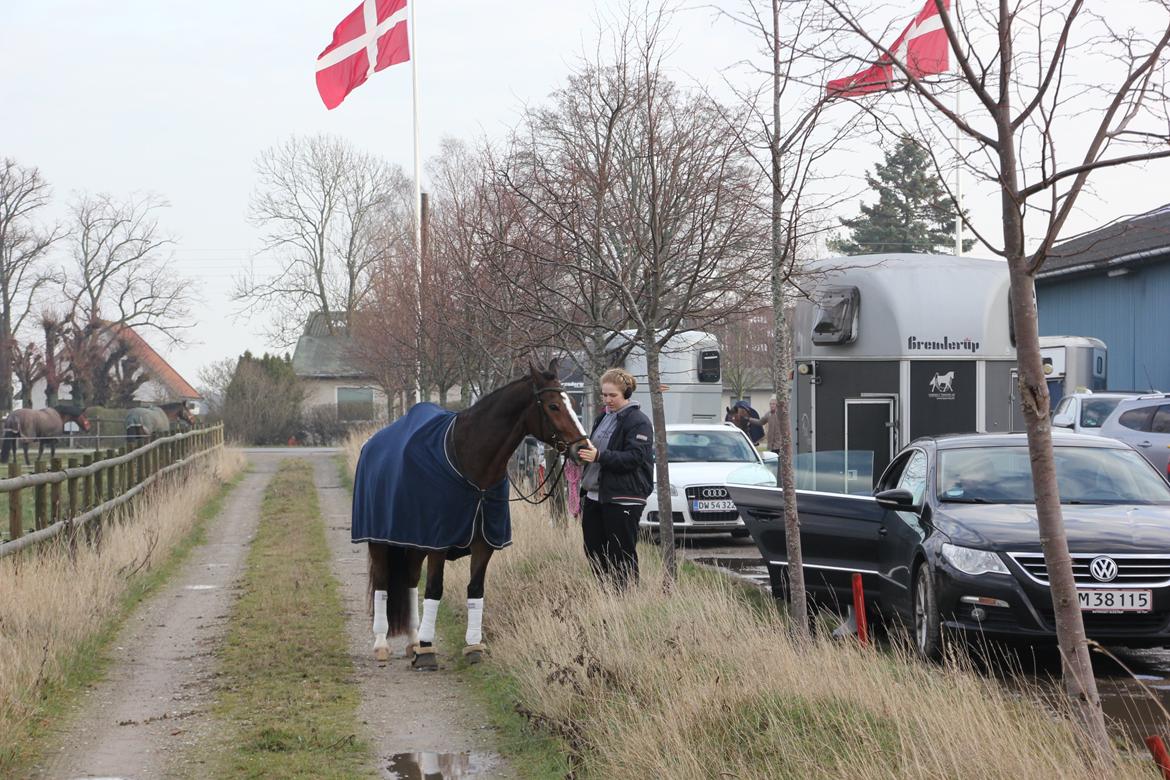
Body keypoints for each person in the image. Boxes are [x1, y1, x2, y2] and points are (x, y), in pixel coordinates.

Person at [577, 368, 653, 589]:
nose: (607, 400)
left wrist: (600, 456)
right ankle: (605, 593)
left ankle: (626, 598)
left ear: (626, 394)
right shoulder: (603, 417)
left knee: (621, 551)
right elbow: (594, 450)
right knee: (593, 548)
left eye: (613, 395)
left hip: (624, 496)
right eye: (604, 395)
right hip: (595, 495)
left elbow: (635, 457)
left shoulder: (639, 421)